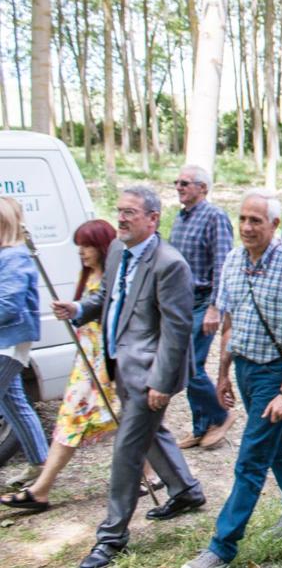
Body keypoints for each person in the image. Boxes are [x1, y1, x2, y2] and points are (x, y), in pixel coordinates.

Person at [51, 187, 203, 568]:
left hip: (150, 372)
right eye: (119, 211)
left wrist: (161, 383)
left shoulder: (170, 264)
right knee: (151, 435)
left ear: (152, 218)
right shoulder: (118, 251)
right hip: (119, 364)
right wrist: (77, 308)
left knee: (126, 451)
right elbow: (107, 298)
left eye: (130, 212)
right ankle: (185, 490)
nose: (120, 218)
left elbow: (176, 329)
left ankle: (111, 538)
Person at [183, 190, 282, 568]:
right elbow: (229, 323)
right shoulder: (232, 260)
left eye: (255, 220)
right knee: (278, 443)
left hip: (275, 372)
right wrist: (222, 374)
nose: (246, 227)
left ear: (274, 225)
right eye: (242, 219)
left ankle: (221, 547)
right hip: (243, 367)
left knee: (251, 458)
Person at [1, 220, 165, 512]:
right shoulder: (88, 276)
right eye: (79, 245)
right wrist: (71, 311)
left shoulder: (115, 280)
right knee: (115, 421)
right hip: (87, 365)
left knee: (96, 423)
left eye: (87, 245)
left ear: (102, 247)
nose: (82, 252)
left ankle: (41, 490)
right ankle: (150, 475)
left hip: (106, 366)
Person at [168, 165, 236, 450]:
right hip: (179, 302)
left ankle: (222, 416)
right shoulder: (180, 218)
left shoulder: (215, 217)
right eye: (178, 182)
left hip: (202, 300)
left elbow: (223, 264)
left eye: (186, 183)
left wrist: (214, 308)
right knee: (185, 364)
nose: (179, 187)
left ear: (203, 188)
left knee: (190, 366)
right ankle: (201, 426)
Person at [0, 198, 47, 492]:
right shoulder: (8, 254)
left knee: (13, 402)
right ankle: (40, 463)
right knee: (14, 403)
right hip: (6, 342)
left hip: (8, 344)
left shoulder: (14, 257)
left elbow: (9, 304)